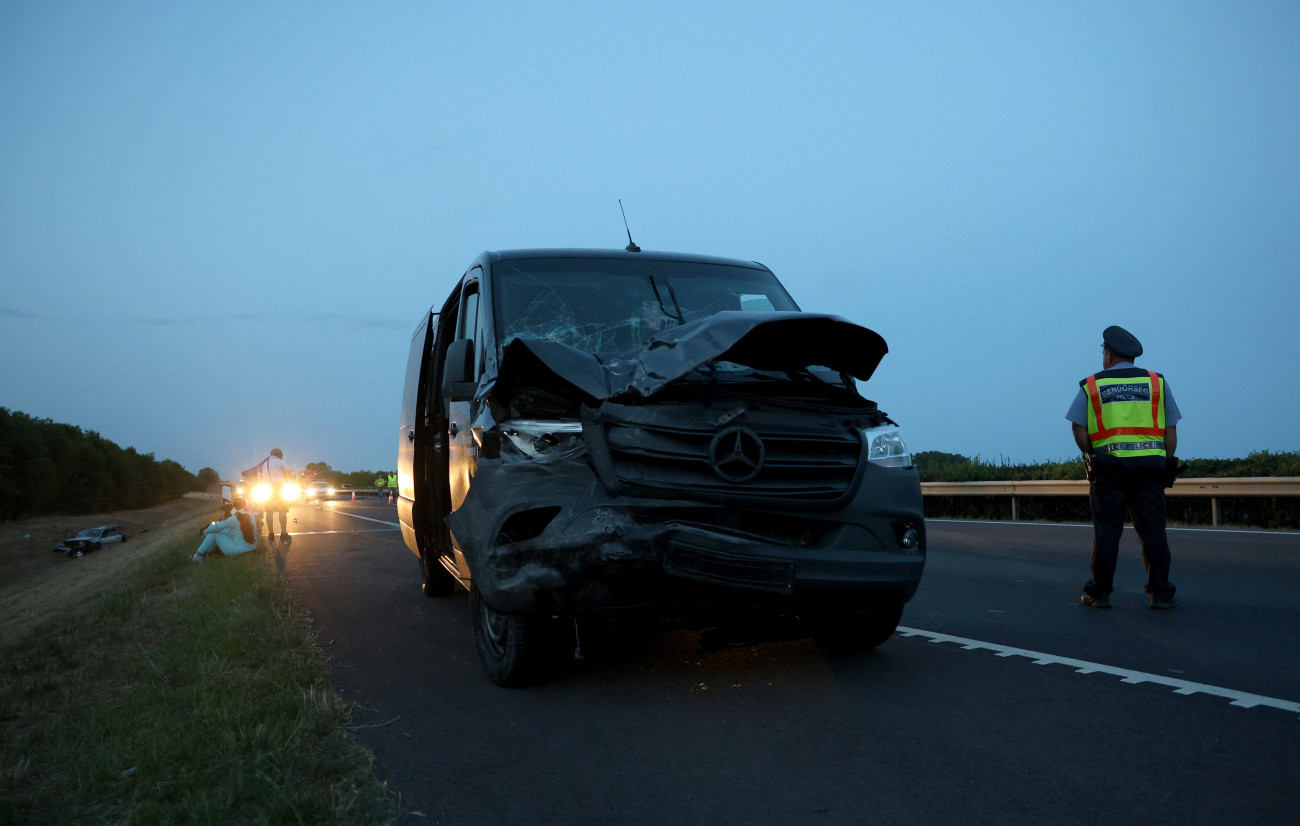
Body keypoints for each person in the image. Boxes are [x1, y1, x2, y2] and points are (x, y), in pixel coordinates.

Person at [1066, 326, 1182, 609]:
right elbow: (1170, 430)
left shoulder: (1092, 385)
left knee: (1107, 532)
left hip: (1108, 470)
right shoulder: (1157, 383)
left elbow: (1078, 427)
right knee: (1153, 531)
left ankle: (1098, 593)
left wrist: (1091, 452)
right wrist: (1166, 461)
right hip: (1150, 470)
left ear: (1108, 355)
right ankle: (1161, 594)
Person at [190, 497, 258, 561]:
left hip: (239, 551)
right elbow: (237, 532)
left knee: (214, 533)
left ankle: (196, 556)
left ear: (233, 507)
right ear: (245, 506)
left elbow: (216, 528)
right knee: (221, 532)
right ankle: (205, 554)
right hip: (251, 549)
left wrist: (205, 531)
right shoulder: (251, 517)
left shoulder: (233, 519)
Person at [266, 448, 293, 543]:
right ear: (277, 454)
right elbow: (288, 475)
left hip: (268, 490)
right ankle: (283, 533)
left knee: (269, 512)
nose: (282, 456)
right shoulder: (281, 462)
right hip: (279, 489)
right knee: (282, 511)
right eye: (281, 454)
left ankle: (271, 534)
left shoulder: (265, 464)